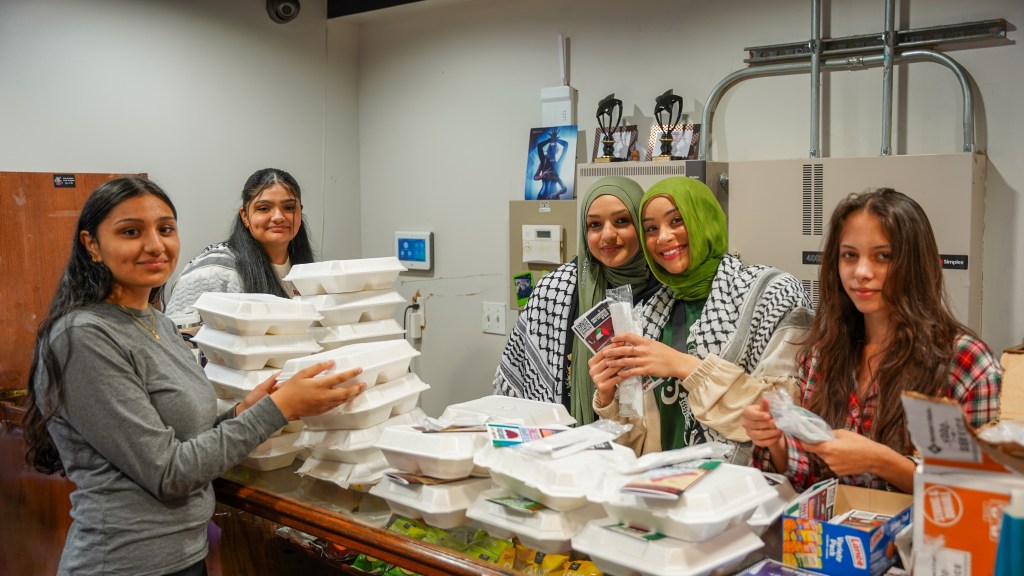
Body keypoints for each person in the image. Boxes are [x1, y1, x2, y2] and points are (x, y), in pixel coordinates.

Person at [21, 177, 366, 576]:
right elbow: (168, 473)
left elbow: (186, 440)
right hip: (121, 563)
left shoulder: (158, 325)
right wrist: (278, 409)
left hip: (185, 557)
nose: (155, 245)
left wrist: (241, 412)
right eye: (131, 232)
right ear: (92, 245)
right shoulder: (83, 336)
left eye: (165, 229)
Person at [741, 188, 1002, 493]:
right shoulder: (824, 353)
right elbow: (813, 474)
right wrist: (776, 442)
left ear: (915, 263)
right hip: (839, 536)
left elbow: (976, 495)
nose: (862, 272)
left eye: (883, 256)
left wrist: (880, 461)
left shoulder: (965, 362)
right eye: (849, 255)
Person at [590, 176, 813, 457]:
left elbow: (789, 413)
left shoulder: (772, 292)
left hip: (743, 487)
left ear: (703, 220)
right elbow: (635, 442)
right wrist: (610, 395)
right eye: (651, 228)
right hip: (664, 488)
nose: (663, 237)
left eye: (676, 221)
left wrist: (683, 366)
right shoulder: (649, 314)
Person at [494, 176, 664, 425]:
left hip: (650, 447)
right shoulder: (554, 289)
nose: (607, 235)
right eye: (594, 225)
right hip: (565, 445)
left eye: (622, 221)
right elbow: (519, 375)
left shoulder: (667, 292)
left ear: (641, 224)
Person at [166, 168, 314, 315]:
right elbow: (178, 334)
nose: (278, 217)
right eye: (264, 208)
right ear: (244, 216)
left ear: (300, 212)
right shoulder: (214, 270)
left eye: (289, 208)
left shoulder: (307, 270)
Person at [533, 129, 569, 200]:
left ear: (557, 151)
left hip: (554, 197)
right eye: (550, 148)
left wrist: (555, 140)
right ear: (547, 150)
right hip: (541, 197)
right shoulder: (543, 161)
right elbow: (535, 177)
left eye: (554, 148)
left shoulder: (559, 163)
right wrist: (542, 175)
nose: (552, 150)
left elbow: (566, 144)